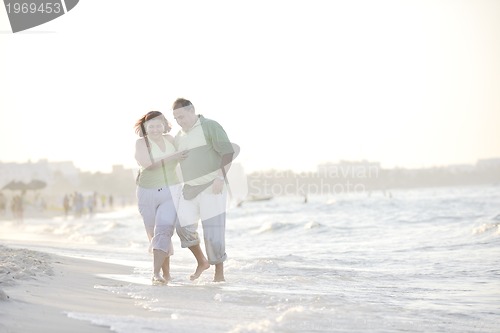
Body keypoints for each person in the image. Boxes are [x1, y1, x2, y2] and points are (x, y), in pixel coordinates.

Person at [172, 98, 235, 282]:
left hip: (212, 187)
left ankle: (219, 275)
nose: (179, 121)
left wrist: (220, 177)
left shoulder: (210, 126)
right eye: (176, 118)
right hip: (190, 189)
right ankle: (202, 261)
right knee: (182, 226)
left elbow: (228, 152)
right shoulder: (179, 136)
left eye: (182, 116)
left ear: (192, 111)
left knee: (213, 233)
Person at [134, 111, 188, 285]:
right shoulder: (141, 143)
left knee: (163, 231)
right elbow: (148, 165)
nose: (156, 129)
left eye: (159, 125)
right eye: (151, 126)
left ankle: (156, 273)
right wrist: (173, 156)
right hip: (146, 192)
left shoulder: (172, 140)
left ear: (165, 125)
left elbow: (188, 153)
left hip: (171, 190)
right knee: (153, 234)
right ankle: (167, 273)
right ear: (145, 128)